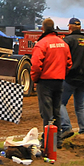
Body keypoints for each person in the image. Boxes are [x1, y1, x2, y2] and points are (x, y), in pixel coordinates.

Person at [31, 18, 72, 149]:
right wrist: (61, 74)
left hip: (45, 82)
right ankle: (57, 141)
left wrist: (35, 79)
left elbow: (36, 65)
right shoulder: (63, 44)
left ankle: (49, 141)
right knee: (57, 111)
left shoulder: (41, 44)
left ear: (43, 28)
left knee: (46, 112)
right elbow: (69, 63)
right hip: (59, 81)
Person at [58, 18, 84, 139]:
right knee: (80, 106)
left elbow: (61, 59)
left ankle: (66, 127)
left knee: (59, 103)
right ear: (81, 28)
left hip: (70, 78)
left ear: (70, 28)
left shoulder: (67, 41)